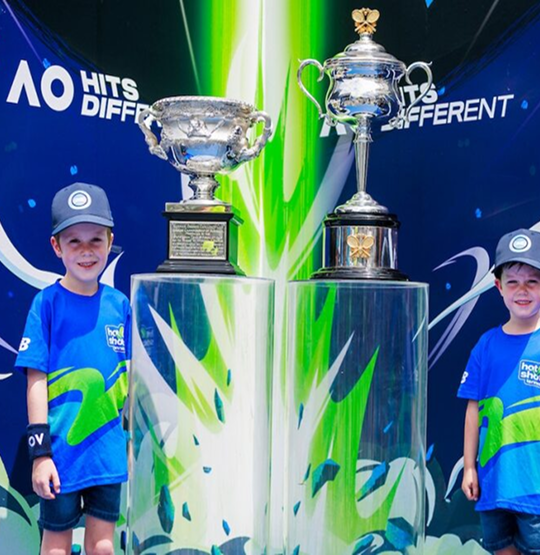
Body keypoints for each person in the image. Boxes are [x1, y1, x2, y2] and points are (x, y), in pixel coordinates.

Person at [15, 183, 130, 555]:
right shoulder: (46, 304)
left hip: (107, 454)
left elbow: (131, 378)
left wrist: (129, 442)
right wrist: (41, 454)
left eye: (95, 239)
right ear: (56, 246)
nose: (86, 251)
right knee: (56, 548)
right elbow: (35, 380)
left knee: (103, 546)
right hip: (60, 456)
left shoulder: (121, 305)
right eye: (74, 241)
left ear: (110, 241)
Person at [459, 228, 540, 555]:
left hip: (534, 488)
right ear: (498, 286)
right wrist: (469, 467)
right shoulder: (486, 345)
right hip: (493, 485)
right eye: (513, 282)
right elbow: (472, 411)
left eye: (532, 281)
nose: (523, 290)